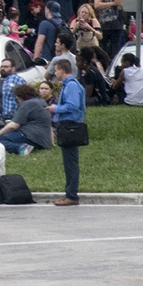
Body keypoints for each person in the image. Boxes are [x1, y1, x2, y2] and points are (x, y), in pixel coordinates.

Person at [51, 58, 86, 205]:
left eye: (56, 70)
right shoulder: (69, 85)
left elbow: (73, 105)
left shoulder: (71, 86)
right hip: (67, 125)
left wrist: (56, 109)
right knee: (69, 161)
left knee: (70, 162)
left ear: (62, 70)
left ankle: (72, 195)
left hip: (70, 126)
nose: (55, 73)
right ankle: (70, 193)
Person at [0, 83, 52, 154]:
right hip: (43, 141)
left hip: (31, 136)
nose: (16, 99)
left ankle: (21, 148)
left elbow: (13, 126)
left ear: (21, 96)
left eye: (17, 97)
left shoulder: (27, 104)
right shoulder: (41, 102)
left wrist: (0, 132)